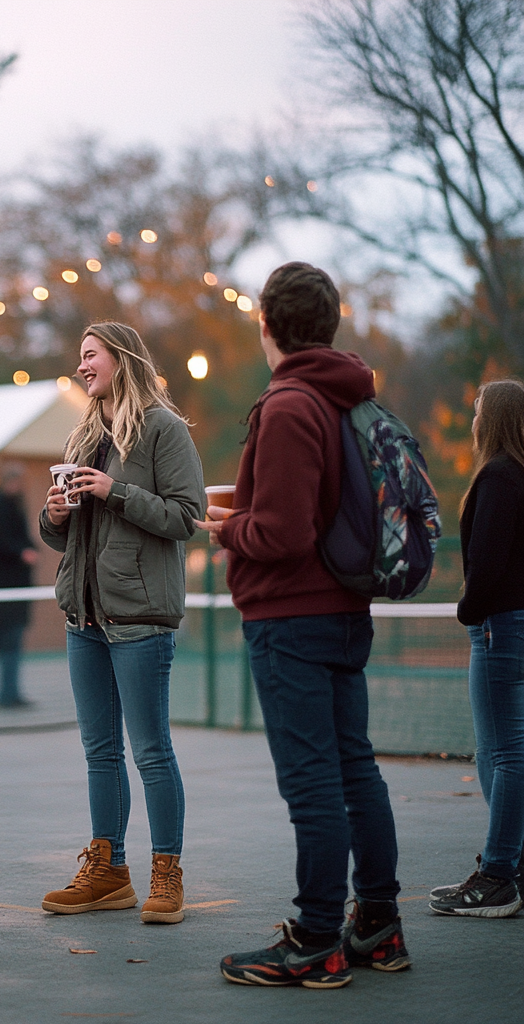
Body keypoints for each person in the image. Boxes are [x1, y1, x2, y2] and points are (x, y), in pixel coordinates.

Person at [196, 262, 410, 988]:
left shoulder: (289, 404)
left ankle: (316, 939)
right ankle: (377, 926)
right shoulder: (346, 395)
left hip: (292, 616)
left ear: (266, 325)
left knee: (315, 783)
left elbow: (283, 533)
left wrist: (228, 530)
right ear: (330, 321)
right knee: (356, 769)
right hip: (345, 611)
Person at [38, 321, 204, 927]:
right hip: (83, 616)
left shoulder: (163, 428)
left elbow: (187, 516)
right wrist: (55, 513)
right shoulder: (85, 433)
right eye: (79, 357)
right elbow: (62, 534)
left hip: (139, 619)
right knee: (99, 752)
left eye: (91, 356)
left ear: (121, 359)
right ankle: (108, 872)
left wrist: (114, 492)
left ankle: (167, 874)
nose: (82, 366)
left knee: (152, 751)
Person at [427, 379, 524, 917]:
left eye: (478, 407)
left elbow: (485, 566)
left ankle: (498, 875)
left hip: (499, 629)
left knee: (501, 752)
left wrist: (469, 610)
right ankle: (512, 867)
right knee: (506, 751)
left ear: (494, 418)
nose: (472, 418)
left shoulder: (497, 476)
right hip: (515, 625)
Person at [0, 462, 38, 707]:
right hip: (5, 590)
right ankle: (7, 695)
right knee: (8, 641)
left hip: (3, 590)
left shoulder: (2, 506)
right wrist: (23, 552)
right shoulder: (2, 506)